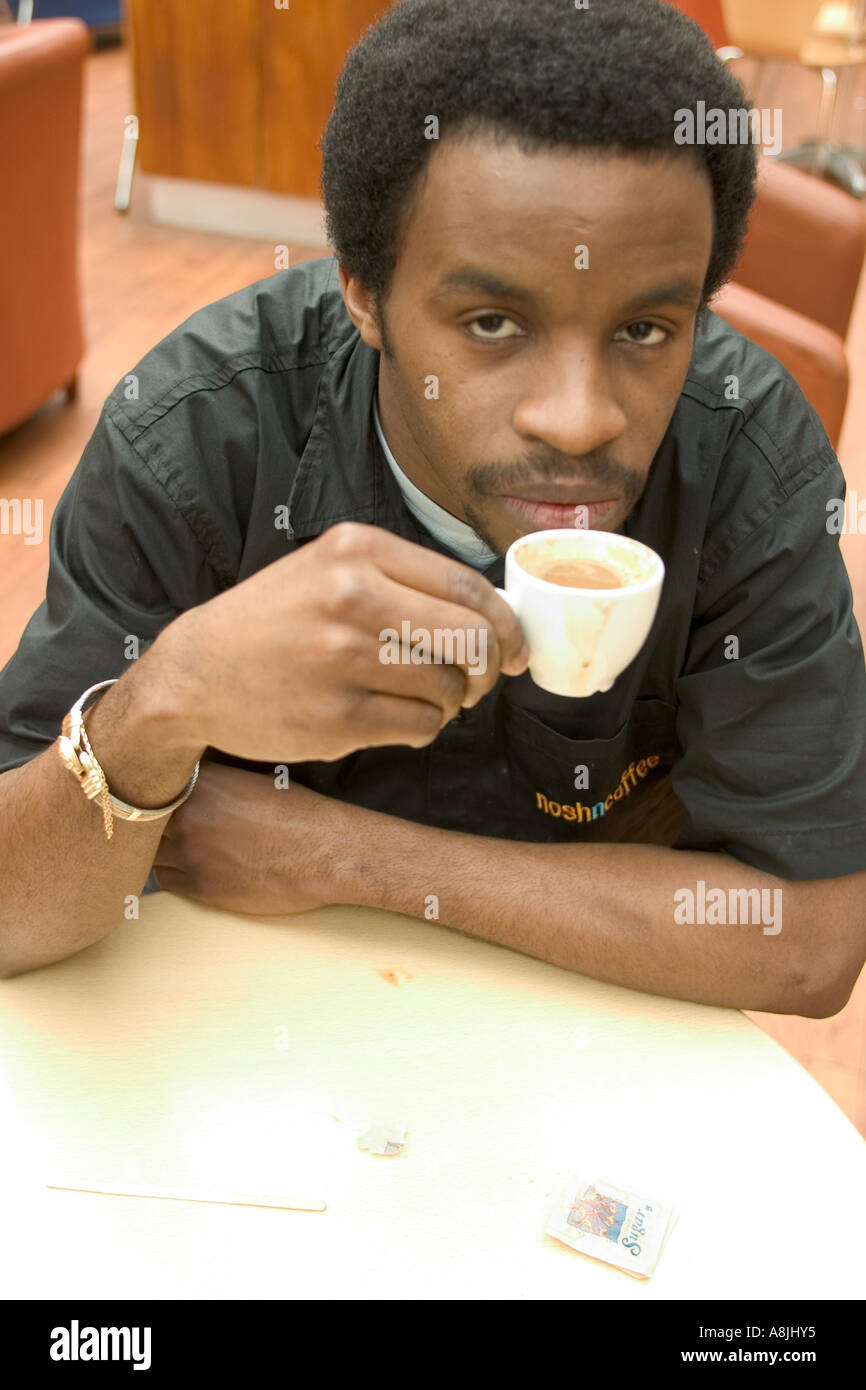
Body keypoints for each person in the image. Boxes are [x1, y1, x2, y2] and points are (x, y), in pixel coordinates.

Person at [1, 0, 864, 1014]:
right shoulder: (199, 435)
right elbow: (15, 904)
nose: (580, 421)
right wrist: (159, 705)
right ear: (362, 291)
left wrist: (338, 856)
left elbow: (804, 941)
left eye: (644, 328)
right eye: (491, 322)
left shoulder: (746, 461)